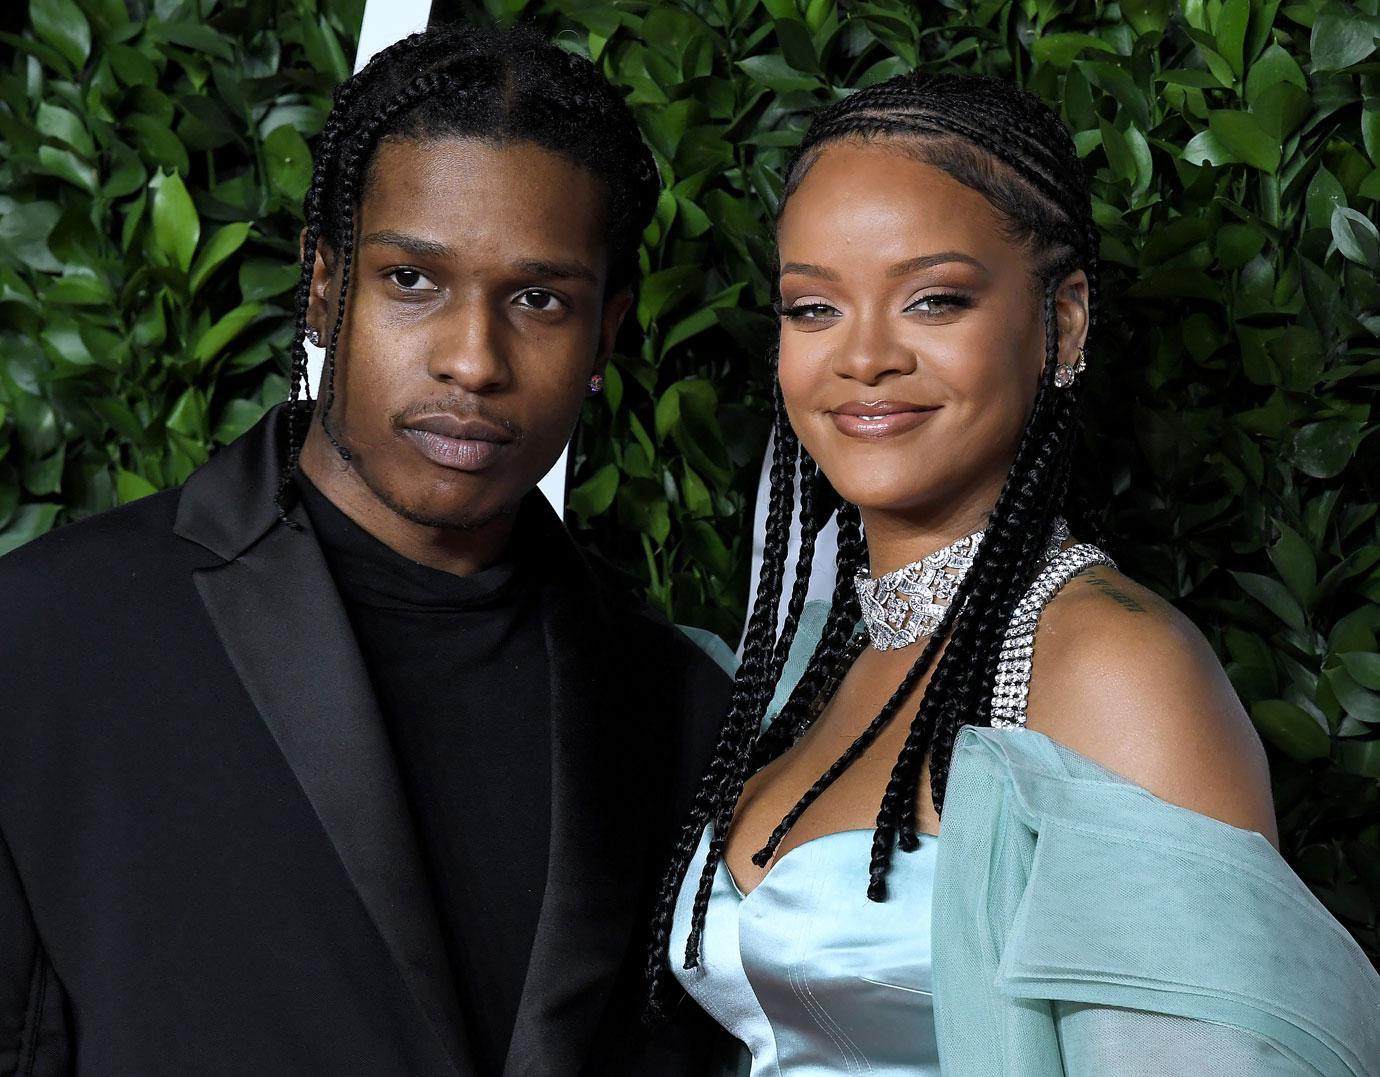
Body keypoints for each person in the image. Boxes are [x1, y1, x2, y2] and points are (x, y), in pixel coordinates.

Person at [0, 25, 733, 1077]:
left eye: (539, 299)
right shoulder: (46, 643)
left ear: (606, 336)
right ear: (322, 287)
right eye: (412, 281)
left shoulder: (677, 704)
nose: (472, 360)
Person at [649, 73, 1380, 1075]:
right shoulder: (799, 667)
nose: (863, 357)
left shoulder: (1117, 673)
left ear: (1065, 320)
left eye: (934, 300)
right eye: (814, 307)